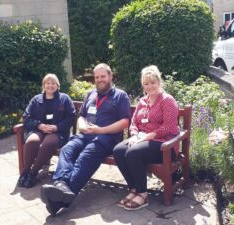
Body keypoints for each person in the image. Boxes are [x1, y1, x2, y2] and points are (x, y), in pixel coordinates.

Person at [41, 63, 131, 216]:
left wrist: (101, 130)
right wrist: (82, 125)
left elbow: (125, 122)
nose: (99, 79)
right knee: (67, 149)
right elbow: (82, 115)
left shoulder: (120, 95)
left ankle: (62, 196)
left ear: (110, 76)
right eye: (96, 77)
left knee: (86, 155)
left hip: (107, 138)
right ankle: (61, 185)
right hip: (85, 135)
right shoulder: (91, 94)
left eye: (103, 76)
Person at [113, 65, 180, 211]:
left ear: (159, 82)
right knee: (118, 150)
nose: (149, 86)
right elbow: (134, 122)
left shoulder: (167, 100)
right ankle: (134, 189)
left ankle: (143, 195)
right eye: (146, 83)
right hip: (142, 139)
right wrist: (135, 134)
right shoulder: (143, 101)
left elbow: (169, 126)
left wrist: (147, 136)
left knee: (133, 153)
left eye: (152, 82)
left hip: (164, 144)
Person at [17, 73, 75, 188]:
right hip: (39, 130)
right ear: (44, 85)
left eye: (53, 83)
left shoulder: (64, 99)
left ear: (57, 85)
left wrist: (56, 127)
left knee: (47, 143)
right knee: (31, 141)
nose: (50, 85)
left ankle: (33, 173)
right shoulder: (36, 99)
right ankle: (25, 172)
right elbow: (26, 117)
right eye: (48, 83)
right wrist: (39, 125)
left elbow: (71, 117)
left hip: (58, 132)